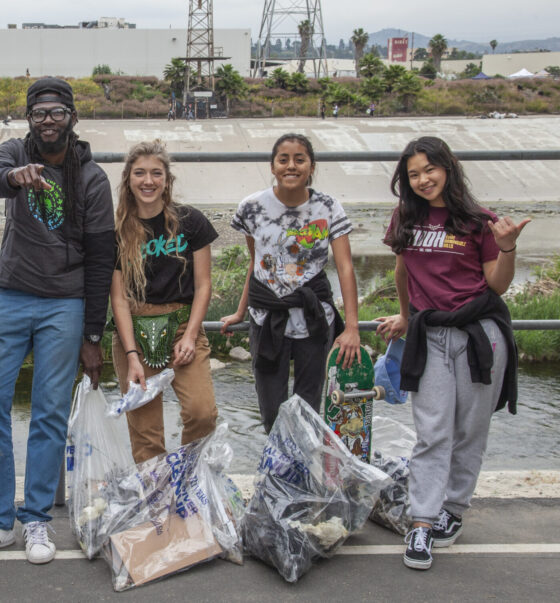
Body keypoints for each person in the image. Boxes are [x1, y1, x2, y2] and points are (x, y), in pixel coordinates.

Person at [0, 78, 114, 565]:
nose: (48, 120)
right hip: (12, 296)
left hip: (65, 303)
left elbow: (103, 258)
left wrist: (92, 333)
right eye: (39, 112)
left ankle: (37, 519)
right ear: (28, 118)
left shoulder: (92, 178)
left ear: (72, 118)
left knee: (47, 412)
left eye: (57, 112)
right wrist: (18, 177)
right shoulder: (13, 152)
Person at [374, 136, 525, 571]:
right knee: (432, 430)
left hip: (480, 334)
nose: (422, 180)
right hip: (431, 335)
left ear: (448, 167)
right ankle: (420, 523)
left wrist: (509, 247)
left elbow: (496, 285)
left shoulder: (480, 221)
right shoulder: (405, 217)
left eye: (429, 170)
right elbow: (403, 268)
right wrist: (404, 315)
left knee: (470, 429)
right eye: (413, 174)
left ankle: (453, 511)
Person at [219, 133, 361, 433]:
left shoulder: (328, 207)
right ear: (272, 166)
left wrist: (351, 328)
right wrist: (240, 312)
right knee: (271, 408)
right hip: (267, 315)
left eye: (300, 159)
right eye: (283, 159)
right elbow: (255, 261)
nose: (291, 166)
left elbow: (346, 268)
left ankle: (302, 475)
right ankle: (277, 474)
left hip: (313, 314)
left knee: (309, 405)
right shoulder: (252, 207)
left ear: (311, 166)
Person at [110, 140, 218, 463]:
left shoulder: (191, 222)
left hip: (183, 325)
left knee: (202, 413)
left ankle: (188, 478)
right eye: (140, 173)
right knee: (146, 431)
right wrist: (130, 354)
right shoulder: (116, 232)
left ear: (166, 180)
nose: (148, 181)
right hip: (134, 329)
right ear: (128, 179)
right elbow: (118, 297)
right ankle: (157, 500)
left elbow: (203, 286)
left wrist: (190, 335)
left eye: (156, 173)